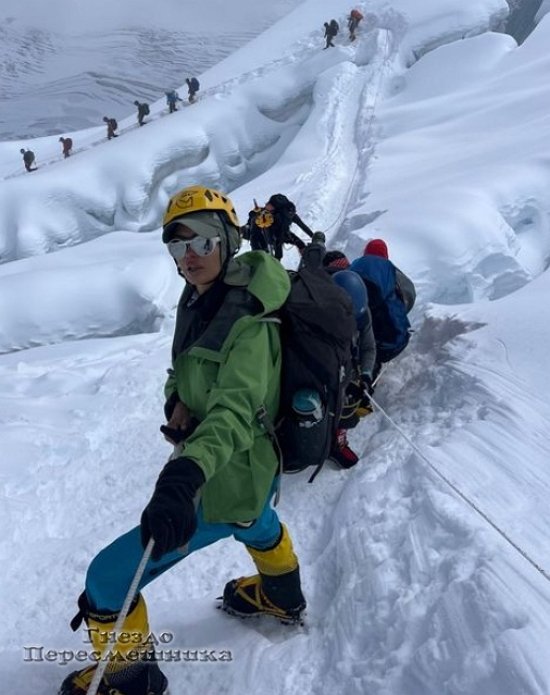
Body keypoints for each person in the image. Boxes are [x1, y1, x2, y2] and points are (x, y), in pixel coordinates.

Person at [58, 185, 306, 695]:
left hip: (225, 474)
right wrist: (180, 399)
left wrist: (183, 475)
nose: (189, 257)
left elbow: (236, 411)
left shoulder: (250, 324)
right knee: (257, 521)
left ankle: (130, 678)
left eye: (202, 243)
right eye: (178, 246)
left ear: (227, 242)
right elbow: (186, 368)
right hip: (252, 473)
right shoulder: (202, 298)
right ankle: (284, 596)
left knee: (109, 580)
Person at [329, 269, 377, 468]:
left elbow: (368, 347)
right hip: (327, 369)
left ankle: (337, 438)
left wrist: (365, 375)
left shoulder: (363, 315)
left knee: (352, 404)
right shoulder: (322, 317)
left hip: (348, 366)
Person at [350, 237, 415, 381]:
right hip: (385, 339)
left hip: (351, 331)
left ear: (366, 252)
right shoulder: (392, 273)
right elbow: (407, 300)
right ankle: (369, 374)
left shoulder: (355, 266)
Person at [244, 194, 314, 260]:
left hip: (280, 233)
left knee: (281, 253)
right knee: (268, 254)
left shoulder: (281, 217)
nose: (266, 205)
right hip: (264, 236)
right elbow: (257, 236)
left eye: (270, 205)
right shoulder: (266, 216)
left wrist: (313, 236)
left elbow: (302, 225)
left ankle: (308, 260)